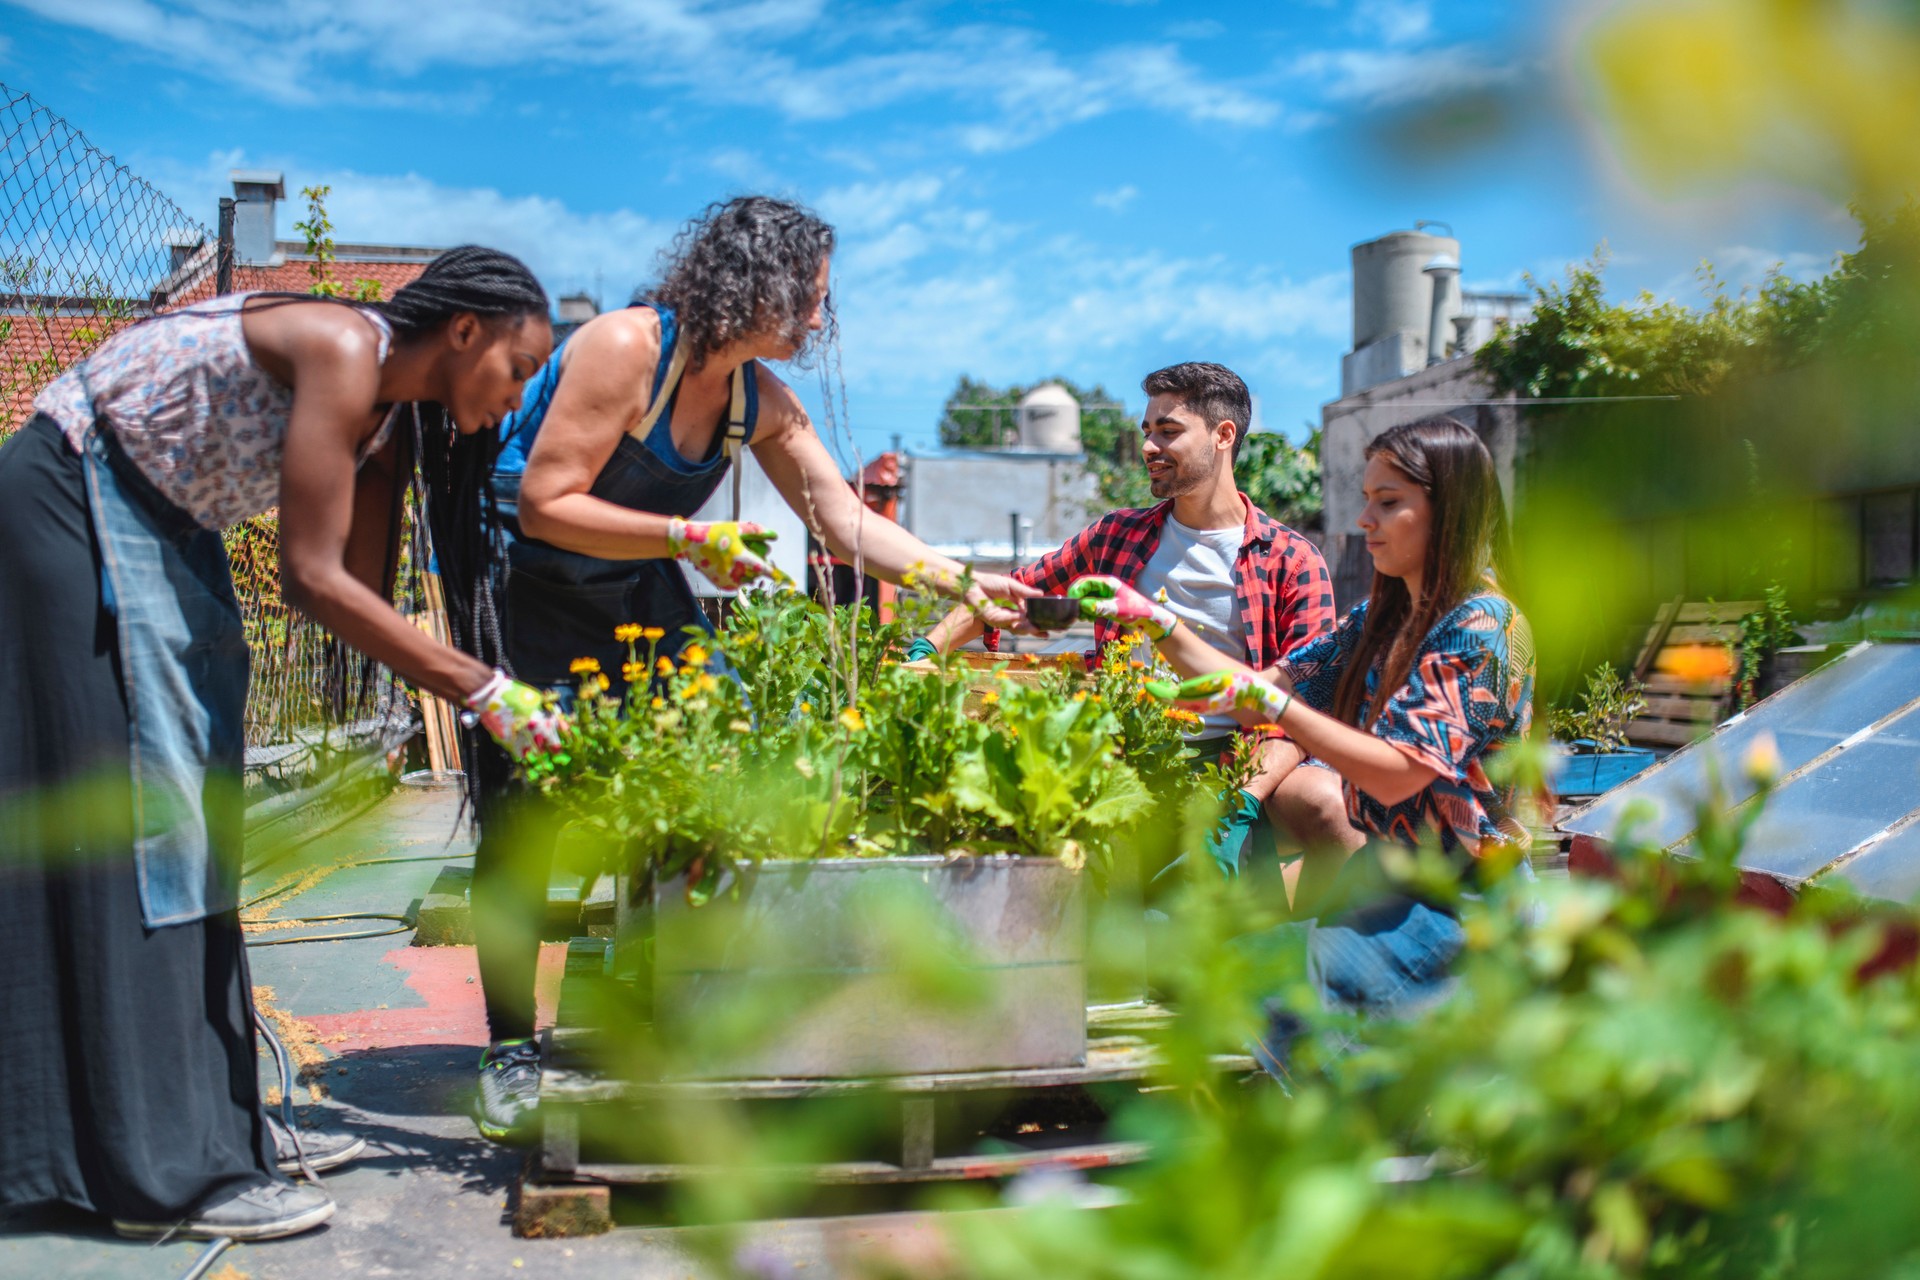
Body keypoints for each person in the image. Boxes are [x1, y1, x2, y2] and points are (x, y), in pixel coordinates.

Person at [0, 248, 565, 1242]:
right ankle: (159, 1173)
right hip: (71, 499)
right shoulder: (347, 345)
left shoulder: (387, 423)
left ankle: (211, 1128)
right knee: (148, 824)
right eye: (520, 367)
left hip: (159, 515)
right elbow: (310, 578)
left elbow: (357, 599)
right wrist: (483, 688)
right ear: (466, 331)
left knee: (193, 818)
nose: (519, 396)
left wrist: (479, 686)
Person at [470, 195, 1035, 1140]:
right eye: (814, 296)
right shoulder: (625, 350)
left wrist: (965, 582)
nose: (822, 318)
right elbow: (543, 501)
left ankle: (680, 998)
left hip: (634, 592)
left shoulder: (758, 401)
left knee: (734, 760)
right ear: (759, 282)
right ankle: (506, 1052)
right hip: (529, 591)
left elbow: (845, 521)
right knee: (526, 818)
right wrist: (689, 534)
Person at [1108, 415, 1536, 1075]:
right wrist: (1152, 621)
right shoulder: (1381, 617)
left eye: (1388, 502)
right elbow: (1257, 684)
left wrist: (1272, 707)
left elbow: (1400, 775)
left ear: (1449, 510)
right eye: (1366, 498)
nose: (1364, 519)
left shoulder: (1484, 626)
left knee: (1299, 1020)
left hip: (1460, 905)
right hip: (1387, 883)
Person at [918, 362, 1364, 896]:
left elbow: (1303, 711)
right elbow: (1014, 589)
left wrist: (1241, 800)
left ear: (1224, 436)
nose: (1149, 446)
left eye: (1168, 431)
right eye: (1147, 432)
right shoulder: (1117, 538)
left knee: (1321, 807)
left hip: (1237, 760)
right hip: (1126, 751)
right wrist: (926, 647)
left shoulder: (1292, 561)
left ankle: (1352, 946)